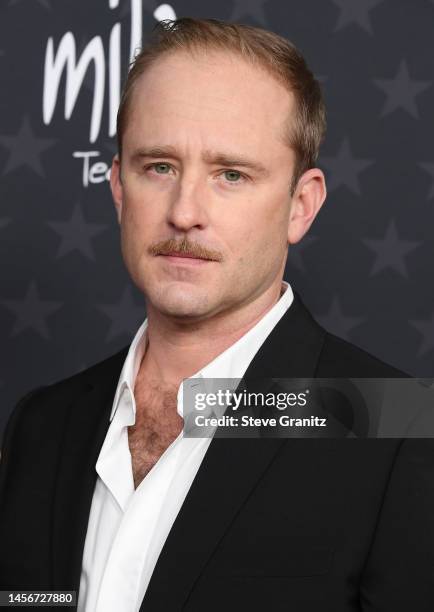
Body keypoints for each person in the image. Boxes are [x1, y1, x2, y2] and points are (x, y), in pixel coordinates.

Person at [0, 17, 433, 612]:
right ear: (119, 189)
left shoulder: (399, 433)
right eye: (159, 167)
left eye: (231, 174)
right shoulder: (42, 425)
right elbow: (31, 601)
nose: (184, 212)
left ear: (300, 206)